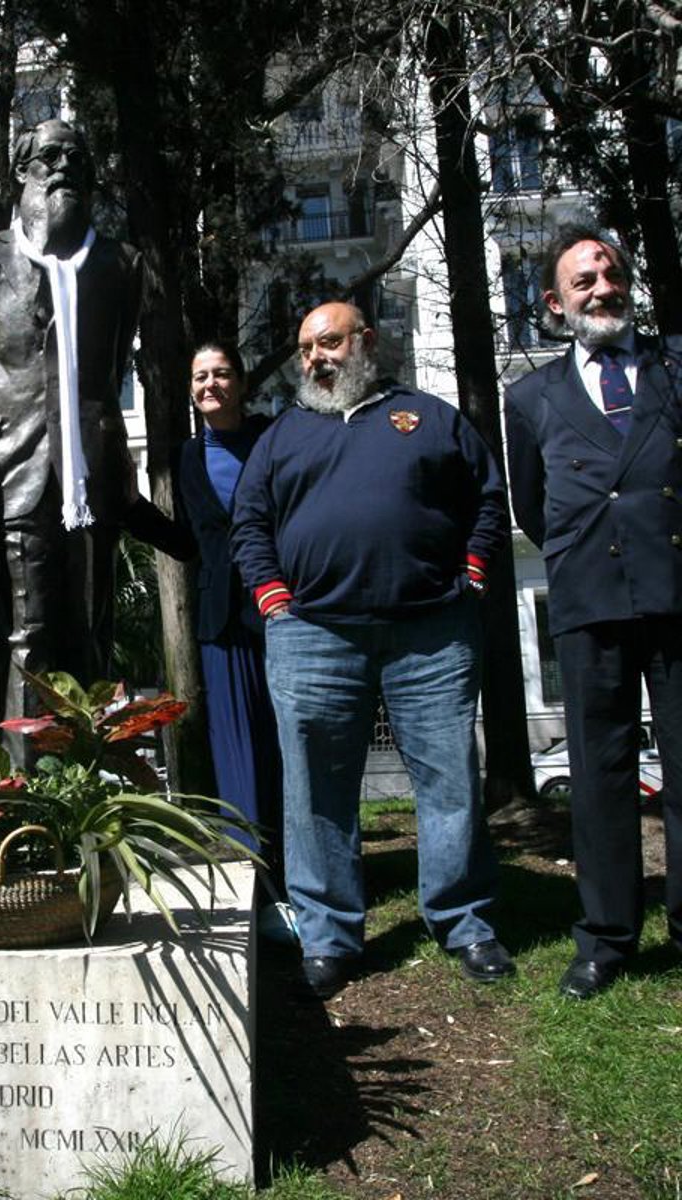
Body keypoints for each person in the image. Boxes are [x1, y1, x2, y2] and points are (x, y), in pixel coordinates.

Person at [231, 301, 515, 998]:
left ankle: (465, 921)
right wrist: (271, 596)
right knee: (315, 792)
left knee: (449, 781)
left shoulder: (429, 417)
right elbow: (250, 523)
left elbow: (487, 498)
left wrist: (474, 571)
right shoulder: (282, 435)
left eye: (328, 342)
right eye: (305, 348)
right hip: (313, 636)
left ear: (365, 341)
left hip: (431, 632)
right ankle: (328, 935)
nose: (315, 358)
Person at [505, 223, 682, 999]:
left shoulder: (675, 367)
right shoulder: (529, 397)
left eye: (611, 275)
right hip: (588, 601)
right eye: (584, 280)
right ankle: (607, 938)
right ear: (555, 302)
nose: (603, 289)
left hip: (675, 590)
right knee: (599, 773)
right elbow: (533, 506)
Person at [0, 118, 144, 718]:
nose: (65, 168)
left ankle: (92, 770)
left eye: (77, 158)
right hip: (16, 466)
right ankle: (22, 774)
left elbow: (111, 369)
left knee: (92, 631)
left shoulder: (120, 263)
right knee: (27, 634)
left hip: (90, 470)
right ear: (21, 170)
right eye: (51, 156)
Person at [175, 342, 285, 893]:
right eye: (200, 377)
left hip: (282, 608)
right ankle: (256, 883)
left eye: (220, 374)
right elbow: (190, 542)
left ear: (241, 383)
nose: (210, 385)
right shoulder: (188, 456)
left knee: (289, 743)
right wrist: (129, 507)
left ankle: (305, 872)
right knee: (237, 751)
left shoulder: (275, 439)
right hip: (220, 618)